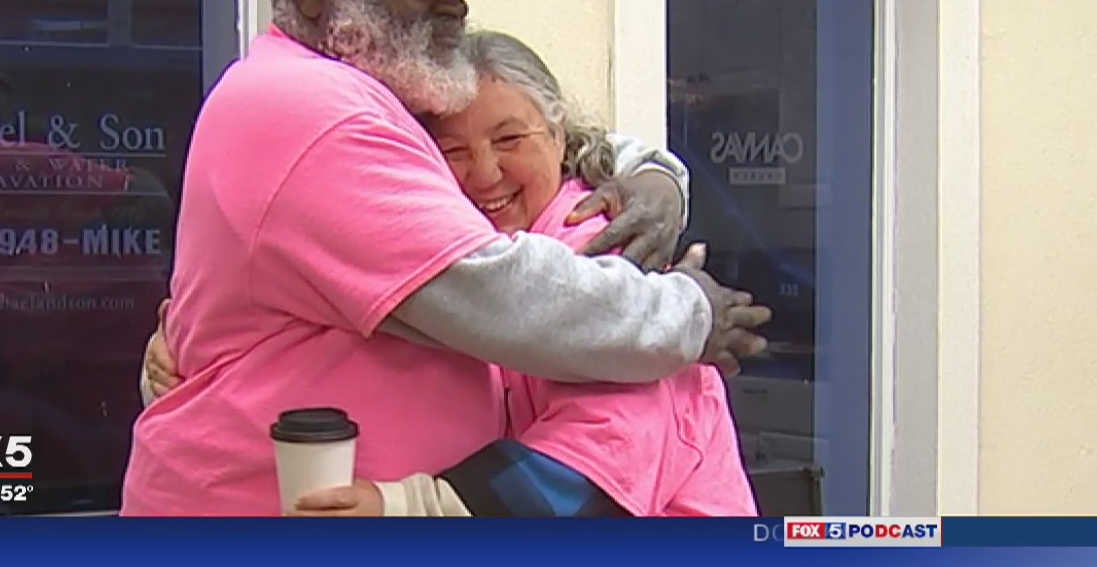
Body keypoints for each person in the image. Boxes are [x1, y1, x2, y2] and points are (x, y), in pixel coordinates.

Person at [120, 0, 769, 517]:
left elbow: (545, 152)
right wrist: (689, 314)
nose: (453, 5)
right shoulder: (314, 110)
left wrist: (650, 174)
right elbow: (490, 291)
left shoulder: (364, 98)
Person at [144, 31, 761, 517]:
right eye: (453, 151)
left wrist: (410, 507)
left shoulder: (611, 257)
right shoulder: (458, 265)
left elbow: (599, 467)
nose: (484, 172)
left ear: (560, 133)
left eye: (509, 138)